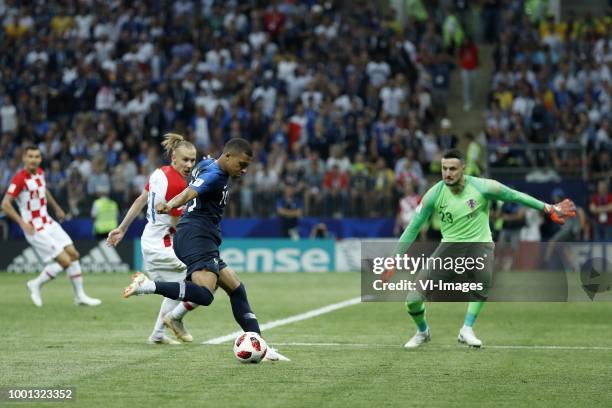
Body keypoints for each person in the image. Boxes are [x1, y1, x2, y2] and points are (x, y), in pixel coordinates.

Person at [387, 150, 576, 349]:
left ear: (463, 169)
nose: (448, 173)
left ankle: (466, 329)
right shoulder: (434, 193)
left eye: (452, 168)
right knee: (412, 301)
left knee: (482, 282)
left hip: (480, 246)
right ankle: (423, 331)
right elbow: (413, 227)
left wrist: (547, 208)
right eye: (444, 168)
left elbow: (514, 196)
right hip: (449, 249)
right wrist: (394, 258)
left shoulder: (482, 187)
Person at [122, 138, 289, 361]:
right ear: (227, 157)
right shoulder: (215, 174)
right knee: (204, 294)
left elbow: (200, 168)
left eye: (247, 165)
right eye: (241, 164)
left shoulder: (208, 165)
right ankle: (147, 286)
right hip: (196, 236)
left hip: (199, 236)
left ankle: (261, 346)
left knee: (236, 288)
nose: (244, 170)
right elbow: (191, 191)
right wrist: (171, 204)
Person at [107, 133, 199, 344]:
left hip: (149, 240)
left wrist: (122, 228)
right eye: (185, 159)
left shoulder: (159, 173)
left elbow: (141, 199)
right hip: (163, 246)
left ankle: (157, 334)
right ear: (173, 157)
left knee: (177, 289)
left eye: (193, 160)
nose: (189, 164)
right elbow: (178, 227)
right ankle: (145, 287)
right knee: (204, 282)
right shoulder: (178, 185)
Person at [1, 145, 101, 307]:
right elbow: (5, 204)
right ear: (24, 159)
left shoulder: (40, 173)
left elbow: (44, 190)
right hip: (35, 228)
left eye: (37, 156)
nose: (34, 160)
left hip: (48, 222)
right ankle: (36, 284)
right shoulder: (19, 179)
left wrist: (56, 207)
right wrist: (22, 223)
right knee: (65, 261)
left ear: (40, 159)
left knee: (74, 255)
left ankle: (80, 296)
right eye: (31, 156)